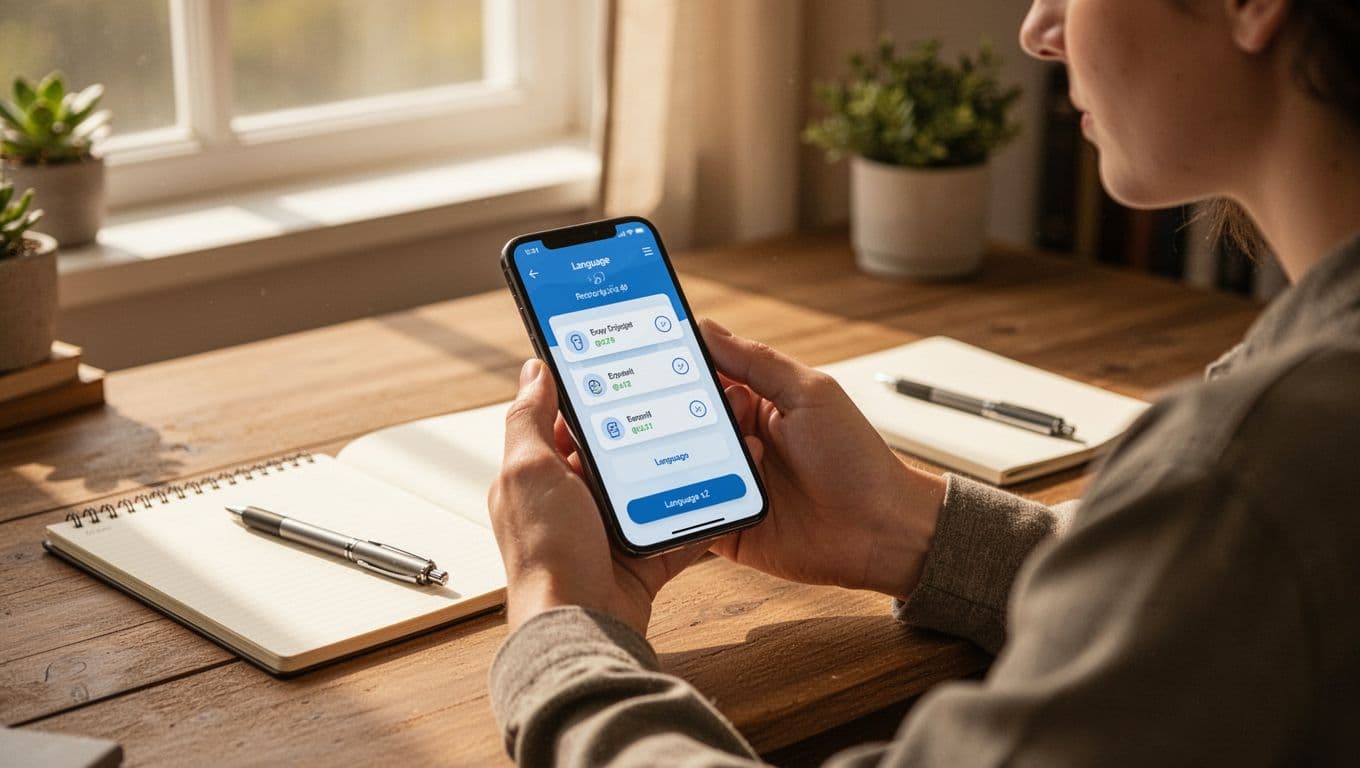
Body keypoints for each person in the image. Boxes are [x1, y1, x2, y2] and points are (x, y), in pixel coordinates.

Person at [484, 0, 1360, 764]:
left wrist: (560, 636)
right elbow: (1211, 616)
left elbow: (1231, 549)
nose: (1038, 32)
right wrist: (907, 526)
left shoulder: (1249, 464)